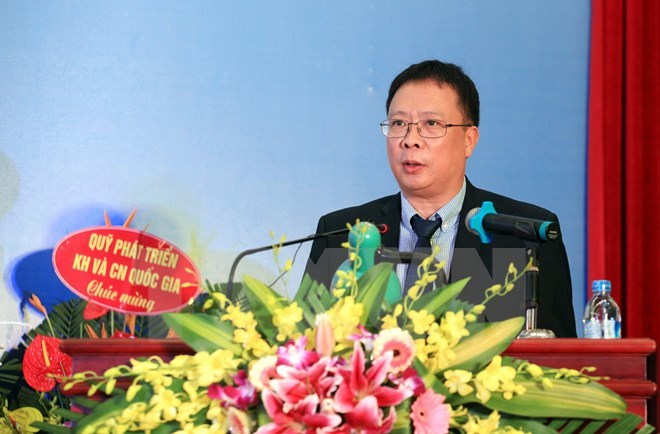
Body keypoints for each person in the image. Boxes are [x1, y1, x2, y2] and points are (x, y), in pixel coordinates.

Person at [304, 60, 577, 338]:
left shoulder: (524, 236)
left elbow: (563, 356)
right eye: (399, 123)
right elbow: (309, 348)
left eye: (431, 123)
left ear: (469, 140)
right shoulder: (341, 233)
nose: (410, 140)